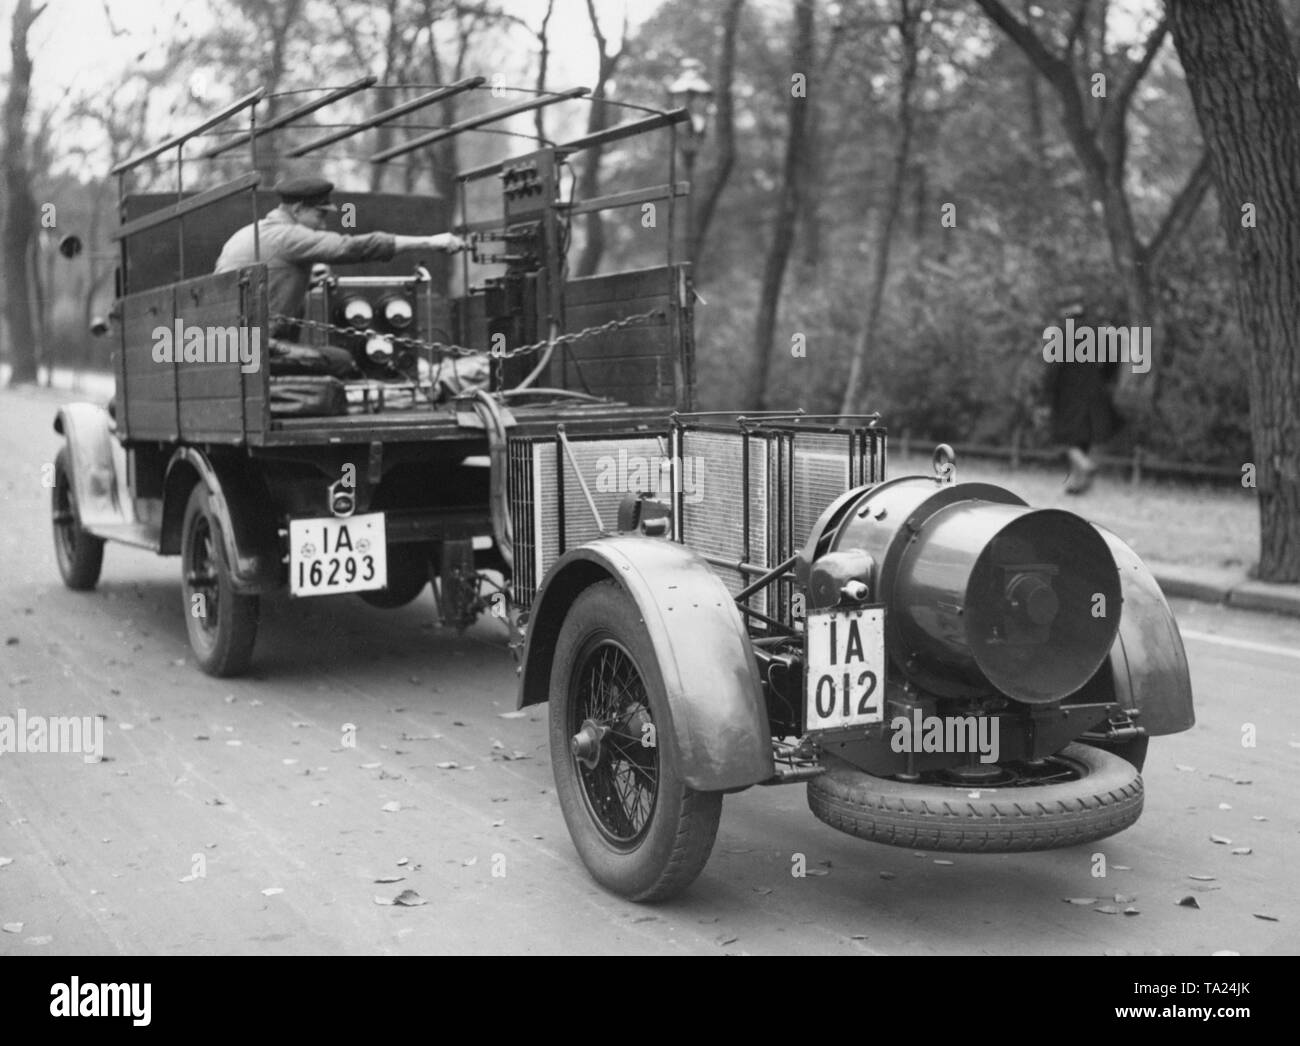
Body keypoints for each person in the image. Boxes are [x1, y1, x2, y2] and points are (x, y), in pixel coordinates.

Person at [214, 176, 464, 377]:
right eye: (320, 215)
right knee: (341, 361)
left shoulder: (251, 233)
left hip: (229, 347)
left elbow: (266, 286)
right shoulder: (287, 236)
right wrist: (431, 241)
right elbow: (353, 247)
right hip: (253, 349)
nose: (323, 225)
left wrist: (307, 281)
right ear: (298, 209)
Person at [1039, 293, 1123, 494]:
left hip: (1068, 391)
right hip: (1094, 388)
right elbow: (1114, 358)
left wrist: (1047, 391)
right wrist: (1105, 377)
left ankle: (1084, 466)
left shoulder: (1062, 333)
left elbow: (1054, 366)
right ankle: (1079, 483)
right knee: (1083, 437)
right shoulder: (1098, 332)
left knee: (1064, 435)